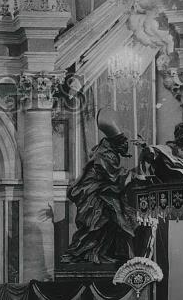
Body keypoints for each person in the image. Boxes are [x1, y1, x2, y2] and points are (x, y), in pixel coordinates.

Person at [60, 109, 141, 264]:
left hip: (104, 194)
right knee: (96, 225)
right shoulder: (104, 154)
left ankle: (100, 253)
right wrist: (135, 175)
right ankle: (80, 253)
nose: (126, 147)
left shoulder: (110, 153)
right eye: (124, 144)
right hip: (94, 196)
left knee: (112, 223)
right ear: (116, 143)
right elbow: (112, 174)